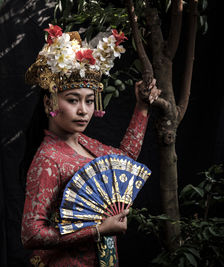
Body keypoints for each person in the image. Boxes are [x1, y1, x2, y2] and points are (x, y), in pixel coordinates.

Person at [20, 25, 160, 267]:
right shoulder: (49, 159)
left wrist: (142, 108)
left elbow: (124, 159)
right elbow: (31, 233)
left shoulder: (83, 142)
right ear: (49, 103)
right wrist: (97, 231)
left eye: (88, 100)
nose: (83, 110)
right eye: (73, 100)